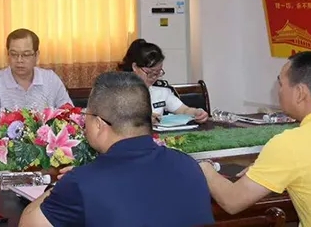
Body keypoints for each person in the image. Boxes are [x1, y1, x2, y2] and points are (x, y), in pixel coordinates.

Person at [19, 72, 214, 227]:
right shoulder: (189, 166)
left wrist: (58, 186)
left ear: (98, 124)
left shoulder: (81, 183)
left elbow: (28, 223)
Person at [199, 51, 311, 226]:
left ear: (300, 93)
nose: (278, 91)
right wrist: (268, 170)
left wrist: (205, 168)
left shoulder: (291, 144)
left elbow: (232, 201)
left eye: (281, 84)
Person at [0, 29, 71, 129]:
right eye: (14, 54)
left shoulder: (51, 79)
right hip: (7, 139)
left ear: (37, 55)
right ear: (7, 55)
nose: (19, 60)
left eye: (26, 54)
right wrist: (18, 131)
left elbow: (69, 113)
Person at [118, 38, 208, 123]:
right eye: (150, 73)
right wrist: (142, 120)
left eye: (157, 73)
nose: (154, 77)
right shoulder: (116, 92)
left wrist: (197, 113)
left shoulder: (160, 91)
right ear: (135, 67)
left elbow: (183, 110)